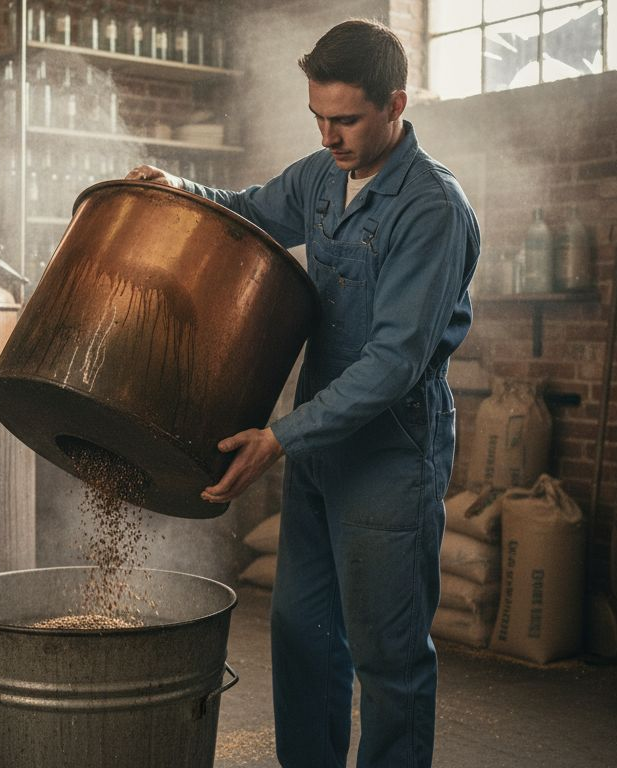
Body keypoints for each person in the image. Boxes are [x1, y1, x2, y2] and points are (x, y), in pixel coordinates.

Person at [126, 18, 479, 768]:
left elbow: (393, 364)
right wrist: (177, 188)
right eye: (318, 117)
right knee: (304, 632)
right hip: (321, 445)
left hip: (390, 450)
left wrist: (280, 438)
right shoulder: (324, 177)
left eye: (345, 119)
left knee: (388, 656)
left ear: (396, 103)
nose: (329, 136)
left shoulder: (432, 209)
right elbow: (252, 209)